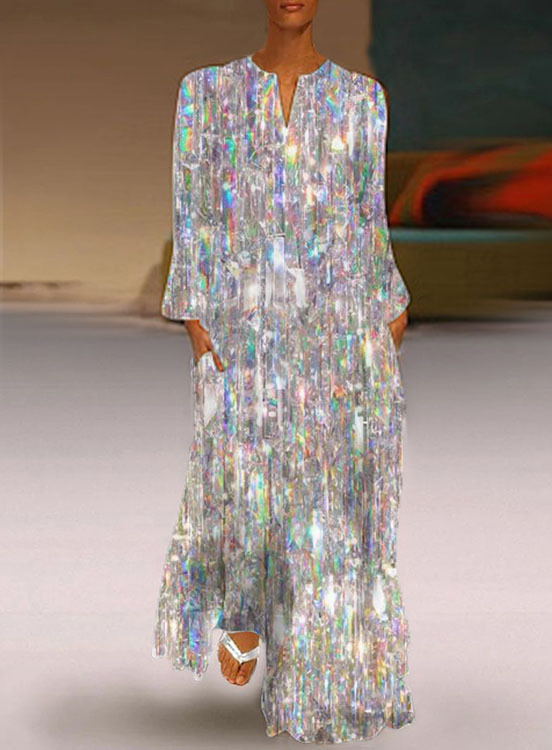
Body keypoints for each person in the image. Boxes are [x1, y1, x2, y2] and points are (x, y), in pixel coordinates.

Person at [153, 0, 414, 743]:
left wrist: (389, 313)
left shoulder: (362, 101)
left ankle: (315, 675)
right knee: (241, 483)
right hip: (243, 336)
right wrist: (200, 331)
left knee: (329, 506)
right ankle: (244, 609)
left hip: (336, 335)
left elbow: (366, 221)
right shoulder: (206, 94)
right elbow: (195, 219)